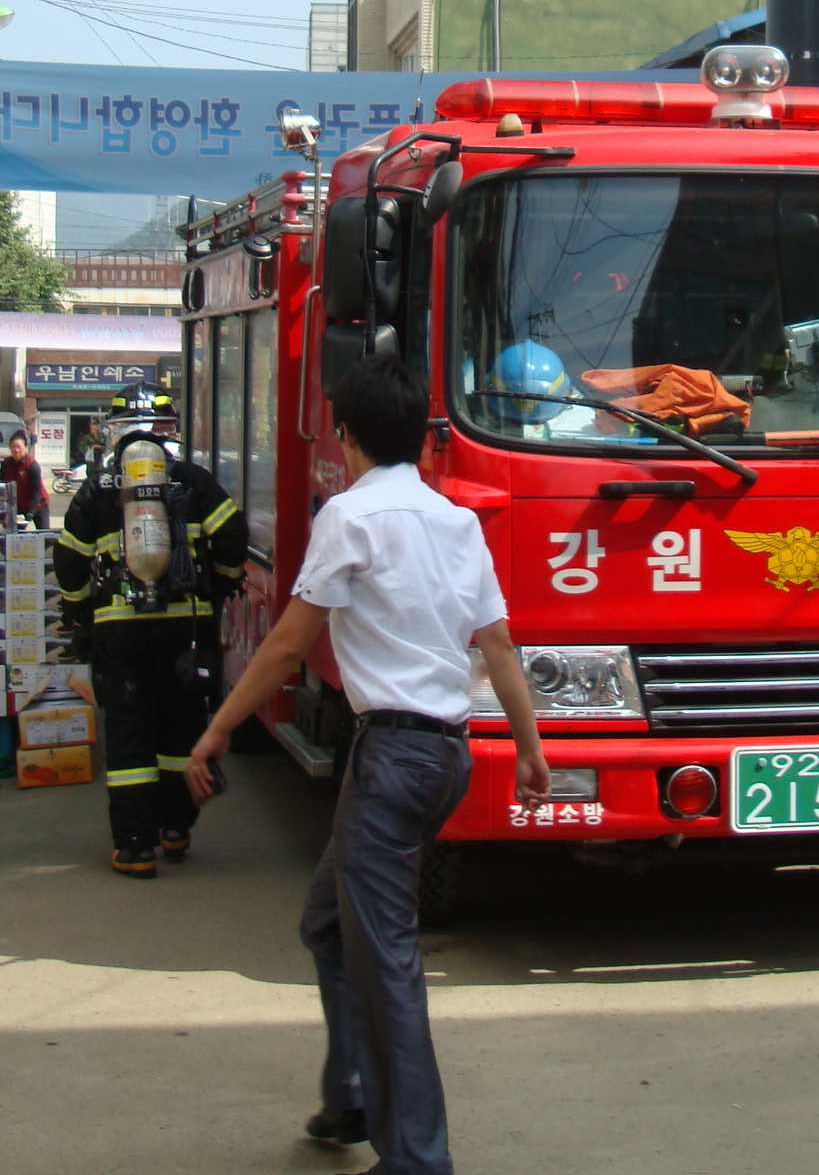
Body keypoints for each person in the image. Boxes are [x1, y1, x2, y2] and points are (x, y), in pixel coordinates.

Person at [187, 356, 549, 1175]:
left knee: (386, 958)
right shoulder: (456, 520)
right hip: (444, 755)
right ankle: (352, 1094)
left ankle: (417, 1156)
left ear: (345, 436)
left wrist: (217, 729)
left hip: (392, 757)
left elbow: (288, 643)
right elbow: (497, 645)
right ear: (421, 435)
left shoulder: (349, 517)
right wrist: (530, 749)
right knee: (328, 923)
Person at [55, 429, 245, 877]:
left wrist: (79, 611)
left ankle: (135, 847)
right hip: (185, 631)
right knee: (181, 727)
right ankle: (175, 828)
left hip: (120, 633)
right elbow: (232, 533)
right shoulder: (193, 481)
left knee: (129, 735)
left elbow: (69, 558)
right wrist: (219, 584)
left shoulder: (98, 489)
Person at [0, 427, 50, 531]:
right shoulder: (6, 464)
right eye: (13, 447)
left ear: (26, 448)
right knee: (16, 534)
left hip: (38, 504)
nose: (16, 450)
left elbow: (37, 492)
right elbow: (2, 485)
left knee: (44, 534)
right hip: (19, 505)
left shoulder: (32, 465)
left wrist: (31, 511)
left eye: (19, 447)